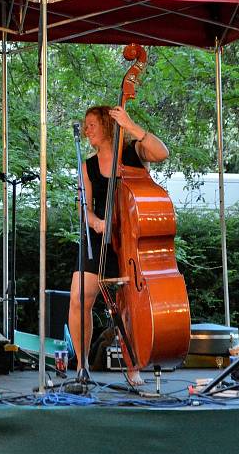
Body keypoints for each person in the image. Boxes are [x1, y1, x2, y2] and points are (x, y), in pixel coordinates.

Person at [68, 105, 169, 386]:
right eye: (85, 125)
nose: (86, 130)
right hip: (101, 237)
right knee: (78, 298)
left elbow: (162, 153)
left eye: (92, 124)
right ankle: (82, 365)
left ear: (108, 125)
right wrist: (96, 222)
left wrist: (131, 124)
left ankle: (133, 364)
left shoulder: (133, 152)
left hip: (134, 239)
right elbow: (83, 208)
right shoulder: (87, 166)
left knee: (129, 306)